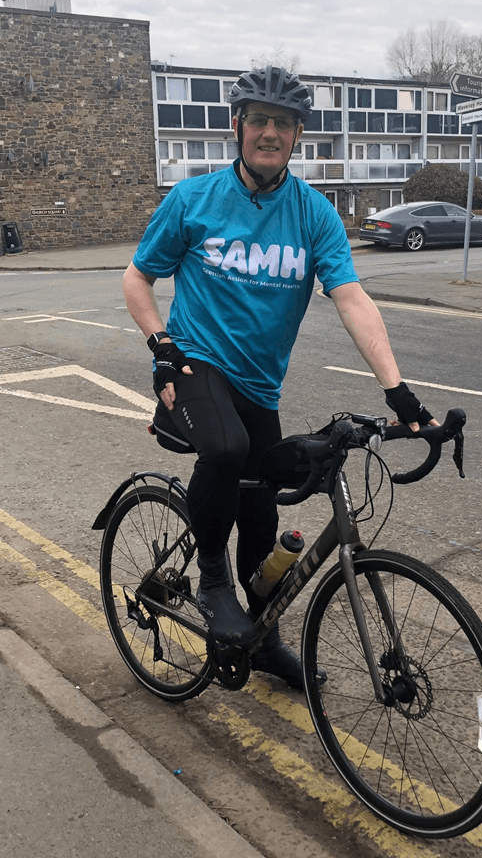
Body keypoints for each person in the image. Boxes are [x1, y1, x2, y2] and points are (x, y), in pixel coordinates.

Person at [122, 65, 436, 691]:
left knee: (263, 529)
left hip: (260, 388)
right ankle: (210, 579)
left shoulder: (313, 214)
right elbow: (137, 279)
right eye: (259, 120)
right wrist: (161, 348)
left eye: (283, 123)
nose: (270, 132)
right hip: (195, 366)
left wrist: (395, 389)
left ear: (297, 137)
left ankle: (260, 640)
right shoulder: (192, 201)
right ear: (238, 127)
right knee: (227, 448)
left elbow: (349, 295)